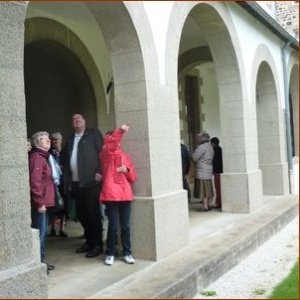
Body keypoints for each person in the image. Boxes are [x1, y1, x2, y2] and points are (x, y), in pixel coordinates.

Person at [61, 114, 104, 258]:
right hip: (76, 183)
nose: (76, 120)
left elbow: (103, 154)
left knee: (93, 213)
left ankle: (97, 244)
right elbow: (65, 160)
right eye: (73, 119)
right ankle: (89, 241)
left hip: (91, 182)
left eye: (79, 118)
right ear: (72, 124)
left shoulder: (93, 135)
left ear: (85, 121)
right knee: (82, 214)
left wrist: (100, 171)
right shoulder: (71, 139)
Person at [99, 123, 137, 266]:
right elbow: (111, 145)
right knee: (113, 226)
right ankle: (110, 252)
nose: (114, 142)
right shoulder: (105, 154)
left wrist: (126, 170)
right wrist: (120, 131)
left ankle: (127, 252)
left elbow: (133, 177)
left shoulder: (125, 156)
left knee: (125, 226)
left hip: (125, 194)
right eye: (110, 139)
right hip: (111, 195)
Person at [29, 131, 55, 273]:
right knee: (40, 234)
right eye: (45, 140)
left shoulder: (43, 157)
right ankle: (39, 265)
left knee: (42, 233)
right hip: (41, 204)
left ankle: (42, 262)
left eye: (49, 139)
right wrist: (40, 203)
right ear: (37, 143)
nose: (49, 141)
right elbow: (35, 183)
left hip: (44, 202)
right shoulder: (37, 158)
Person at [48, 132, 68, 237]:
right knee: (53, 206)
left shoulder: (65, 151)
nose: (55, 141)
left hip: (63, 183)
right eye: (53, 139)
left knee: (63, 206)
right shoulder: (48, 152)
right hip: (52, 183)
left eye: (57, 139)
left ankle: (61, 228)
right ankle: (52, 228)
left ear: (61, 140)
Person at [192, 132, 214, 211]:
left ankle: (205, 206)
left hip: (202, 170)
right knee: (208, 189)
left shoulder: (201, 147)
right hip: (208, 170)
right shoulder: (210, 146)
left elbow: (194, 158)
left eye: (198, 138)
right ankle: (208, 204)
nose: (197, 140)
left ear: (201, 139)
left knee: (204, 190)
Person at [210, 137, 223, 209]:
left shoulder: (214, 150)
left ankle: (218, 202)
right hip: (220, 171)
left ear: (213, 144)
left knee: (217, 188)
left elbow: (214, 161)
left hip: (216, 171)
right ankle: (219, 202)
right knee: (219, 188)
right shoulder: (220, 149)